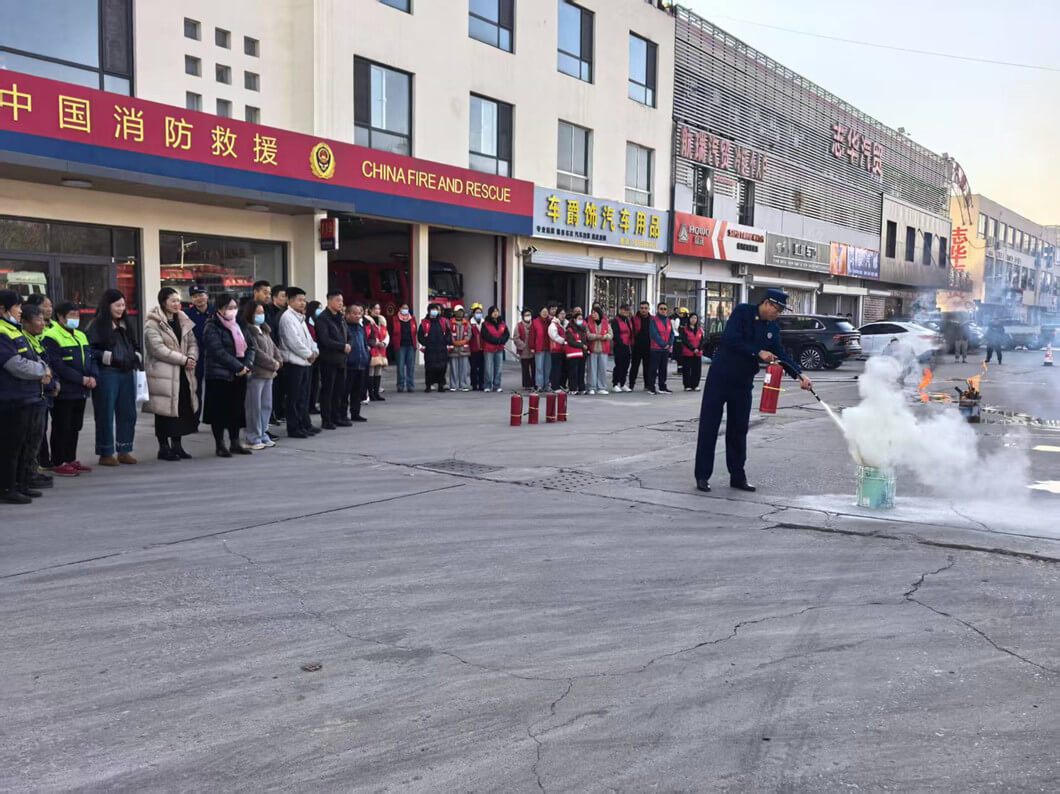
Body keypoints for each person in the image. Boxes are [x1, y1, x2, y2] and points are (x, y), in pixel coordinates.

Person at [694, 289, 812, 493]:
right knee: (709, 426)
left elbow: (781, 353)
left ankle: (737, 476)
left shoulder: (772, 328)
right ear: (767, 303)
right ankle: (702, 475)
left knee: (739, 429)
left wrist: (800, 375)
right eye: (777, 309)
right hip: (721, 377)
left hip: (743, 381)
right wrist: (758, 351)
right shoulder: (743, 312)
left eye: (780, 311)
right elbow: (730, 339)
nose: (778, 314)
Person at [0, 291, 51, 503]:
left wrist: (43, 367)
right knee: (10, 447)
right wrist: (41, 371)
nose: (20, 311)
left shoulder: (15, 330)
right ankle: (7, 489)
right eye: (17, 307)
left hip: (26, 397)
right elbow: (15, 364)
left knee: (22, 445)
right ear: (3, 309)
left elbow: (33, 356)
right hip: (11, 398)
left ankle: (20, 484)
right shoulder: (2, 332)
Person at [143, 287, 199, 461]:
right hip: (163, 373)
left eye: (178, 301)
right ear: (163, 302)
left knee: (180, 409)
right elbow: (158, 349)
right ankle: (163, 447)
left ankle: (177, 445)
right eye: (173, 301)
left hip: (183, 372)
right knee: (164, 411)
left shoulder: (183, 319)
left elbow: (192, 342)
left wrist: (191, 357)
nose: (176, 304)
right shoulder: (153, 323)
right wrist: (183, 360)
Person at [42, 301, 97, 476]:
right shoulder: (51, 336)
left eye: (77, 315)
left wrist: (93, 376)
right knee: (61, 426)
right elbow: (57, 365)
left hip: (81, 390)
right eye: (72, 315)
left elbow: (91, 358)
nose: (76, 318)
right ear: (60, 316)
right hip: (64, 390)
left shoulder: (80, 335)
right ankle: (59, 461)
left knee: (75, 426)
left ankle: (71, 458)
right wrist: (82, 379)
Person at [86, 288, 140, 466]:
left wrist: (136, 356)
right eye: (117, 305)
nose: (121, 309)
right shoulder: (96, 325)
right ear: (107, 305)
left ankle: (124, 449)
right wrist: (107, 357)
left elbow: (134, 344)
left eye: (123, 305)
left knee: (128, 412)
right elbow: (89, 350)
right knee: (105, 413)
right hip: (107, 373)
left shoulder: (125, 324)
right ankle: (106, 452)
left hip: (126, 372)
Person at [203, 293, 255, 457]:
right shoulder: (212, 326)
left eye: (234, 307)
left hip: (239, 375)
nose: (232, 310)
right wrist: (237, 366)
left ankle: (235, 442)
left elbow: (251, 347)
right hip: (219, 375)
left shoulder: (240, 324)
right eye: (228, 308)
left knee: (236, 410)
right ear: (219, 309)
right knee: (219, 412)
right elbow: (217, 351)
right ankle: (220, 445)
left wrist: (247, 365)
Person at [19, 304, 57, 493]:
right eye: (38, 320)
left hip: (42, 394)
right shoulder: (21, 339)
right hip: (30, 395)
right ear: (25, 322)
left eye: (43, 320)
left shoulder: (35, 340)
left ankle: (31, 472)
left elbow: (47, 365)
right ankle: (26, 475)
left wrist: (53, 383)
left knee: (37, 436)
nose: (43, 323)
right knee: (30, 439)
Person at [278, 287, 319, 438]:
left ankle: (304, 424)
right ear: (290, 301)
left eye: (304, 300)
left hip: (305, 362)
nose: (303, 303)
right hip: (294, 364)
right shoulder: (287, 318)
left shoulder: (300, 317)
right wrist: (309, 354)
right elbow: (293, 342)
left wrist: (315, 351)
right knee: (294, 398)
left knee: (304, 396)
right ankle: (294, 428)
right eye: (299, 300)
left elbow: (309, 338)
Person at [243, 299, 282, 448]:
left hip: (269, 374)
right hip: (257, 373)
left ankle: (263, 433)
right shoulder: (248, 331)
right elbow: (257, 353)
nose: (261, 315)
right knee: (254, 407)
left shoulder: (264, 330)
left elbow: (273, 347)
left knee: (266, 405)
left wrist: (279, 359)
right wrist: (273, 363)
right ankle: (253, 437)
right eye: (257, 312)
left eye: (262, 312)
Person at [26, 294, 56, 470]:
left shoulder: (51, 328)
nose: (49, 309)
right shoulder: (25, 335)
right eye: (45, 306)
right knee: (36, 429)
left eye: (50, 305)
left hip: (49, 385)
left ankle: (44, 461)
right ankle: (36, 464)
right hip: (34, 389)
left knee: (43, 426)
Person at [314, 290, 349, 430]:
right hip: (329, 360)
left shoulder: (341, 317)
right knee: (328, 390)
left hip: (342, 360)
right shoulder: (323, 319)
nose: (341, 303)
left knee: (339, 390)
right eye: (337, 300)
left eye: (342, 301)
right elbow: (325, 340)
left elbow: (349, 335)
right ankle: (326, 419)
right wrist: (342, 346)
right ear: (329, 301)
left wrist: (349, 344)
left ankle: (337, 416)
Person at [185, 286, 214, 421]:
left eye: (201, 295)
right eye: (195, 296)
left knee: (213, 389)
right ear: (192, 299)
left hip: (214, 356)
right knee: (195, 389)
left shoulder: (215, 312)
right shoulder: (187, 315)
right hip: (196, 356)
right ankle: (194, 420)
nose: (199, 298)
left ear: (207, 296)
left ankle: (213, 420)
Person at [342, 303, 371, 422]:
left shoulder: (360, 327)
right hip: (349, 365)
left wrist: (366, 357)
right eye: (354, 313)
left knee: (357, 392)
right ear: (347, 314)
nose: (357, 316)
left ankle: (355, 413)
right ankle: (342, 415)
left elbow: (364, 343)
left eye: (359, 313)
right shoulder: (344, 327)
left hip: (361, 364)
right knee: (344, 392)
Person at [263, 285, 287, 421]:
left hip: (281, 352)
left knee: (281, 386)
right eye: (283, 296)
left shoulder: (285, 312)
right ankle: (271, 415)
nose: (285, 299)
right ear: (275, 298)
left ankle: (280, 411)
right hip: (270, 352)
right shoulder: (268, 312)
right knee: (272, 386)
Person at [418, 303, 452, 392]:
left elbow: (448, 333)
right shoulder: (424, 322)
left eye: (436, 310)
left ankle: (441, 385)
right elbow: (420, 335)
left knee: (442, 367)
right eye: (432, 310)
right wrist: (426, 343)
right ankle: (428, 385)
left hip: (441, 349)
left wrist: (446, 341)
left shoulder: (443, 321)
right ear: (429, 311)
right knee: (429, 368)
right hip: (430, 349)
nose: (434, 311)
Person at [647, 302, 675, 395]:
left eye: (665, 309)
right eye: (661, 308)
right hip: (656, 349)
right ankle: (651, 387)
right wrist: (664, 344)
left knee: (663, 369)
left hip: (665, 349)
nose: (663, 310)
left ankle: (662, 387)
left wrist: (670, 343)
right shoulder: (653, 321)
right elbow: (654, 334)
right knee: (653, 369)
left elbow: (672, 333)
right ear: (658, 310)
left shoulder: (668, 321)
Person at [481, 306, 510, 393]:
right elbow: (485, 335)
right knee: (488, 369)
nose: (495, 313)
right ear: (490, 313)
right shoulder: (485, 324)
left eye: (497, 311)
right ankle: (487, 385)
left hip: (499, 348)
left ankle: (497, 385)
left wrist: (501, 340)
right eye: (494, 312)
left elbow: (506, 334)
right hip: (489, 349)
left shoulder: (502, 323)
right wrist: (496, 341)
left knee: (499, 368)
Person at [390, 303, 417, 392]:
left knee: (411, 367)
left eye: (406, 308)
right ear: (400, 308)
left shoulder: (412, 319)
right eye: (403, 308)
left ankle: (410, 386)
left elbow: (415, 331)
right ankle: (400, 385)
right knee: (400, 367)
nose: (405, 310)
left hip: (411, 345)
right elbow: (391, 331)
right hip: (400, 346)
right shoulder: (395, 319)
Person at [586, 307, 612, 395]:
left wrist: (604, 337)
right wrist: (596, 336)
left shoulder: (606, 323)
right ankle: (591, 387)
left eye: (595, 313)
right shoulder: (589, 324)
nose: (593, 314)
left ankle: (601, 387)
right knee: (592, 369)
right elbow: (588, 335)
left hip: (603, 349)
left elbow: (610, 335)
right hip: (593, 349)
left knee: (602, 369)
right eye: (592, 313)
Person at [366, 303, 390, 402]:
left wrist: (384, 343)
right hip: (372, 348)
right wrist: (376, 342)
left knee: (378, 370)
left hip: (381, 349)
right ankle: (370, 393)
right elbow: (368, 334)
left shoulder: (382, 322)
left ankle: (376, 393)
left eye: (379, 308)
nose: (377, 310)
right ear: (370, 309)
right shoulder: (367, 321)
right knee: (371, 370)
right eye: (375, 308)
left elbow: (386, 335)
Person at [564, 311, 589, 394]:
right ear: (574, 319)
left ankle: (581, 388)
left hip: (582, 353)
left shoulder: (583, 328)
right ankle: (573, 388)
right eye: (579, 318)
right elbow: (570, 341)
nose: (580, 320)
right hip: (573, 353)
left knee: (581, 372)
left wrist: (586, 346)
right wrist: (582, 345)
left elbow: (585, 339)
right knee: (573, 372)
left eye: (581, 319)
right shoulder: (570, 329)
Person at [448, 305, 472, 392]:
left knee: (464, 369)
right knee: (453, 369)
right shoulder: (450, 323)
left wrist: (464, 341)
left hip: (464, 349)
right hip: (453, 349)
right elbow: (448, 333)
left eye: (461, 311)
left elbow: (469, 334)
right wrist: (453, 341)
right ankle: (453, 385)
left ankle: (463, 385)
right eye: (458, 311)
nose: (460, 313)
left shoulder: (467, 323)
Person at [610, 304, 634, 393]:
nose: (626, 311)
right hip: (619, 346)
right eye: (624, 310)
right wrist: (620, 343)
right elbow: (615, 334)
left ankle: (623, 383)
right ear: (620, 310)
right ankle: (615, 384)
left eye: (627, 310)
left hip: (627, 345)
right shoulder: (615, 321)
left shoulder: (628, 320)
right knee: (619, 365)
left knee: (626, 365)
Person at [630, 301, 652, 390]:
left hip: (649, 346)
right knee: (634, 366)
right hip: (637, 346)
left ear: (648, 309)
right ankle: (631, 385)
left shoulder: (652, 319)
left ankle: (647, 385)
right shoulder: (634, 319)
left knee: (647, 367)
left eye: (645, 308)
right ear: (639, 309)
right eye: (642, 308)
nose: (643, 310)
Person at [305, 300, 323, 414]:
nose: (320, 310)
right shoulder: (307, 321)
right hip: (309, 355)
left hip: (317, 354)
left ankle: (313, 404)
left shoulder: (317, 321)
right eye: (318, 308)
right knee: (310, 382)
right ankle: (309, 405)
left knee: (316, 381)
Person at [680, 313, 705, 391]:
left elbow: (702, 340)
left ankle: (695, 385)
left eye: (695, 318)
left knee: (697, 370)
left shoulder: (699, 329)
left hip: (698, 353)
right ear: (689, 319)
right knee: (687, 369)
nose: (693, 320)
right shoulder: (684, 329)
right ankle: (687, 385)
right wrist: (693, 348)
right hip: (688, 352)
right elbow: (685, 340)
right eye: (692, 318)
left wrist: (699, 348)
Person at [530, 306, 551, 393]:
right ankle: (539, 385)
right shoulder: (535, 322)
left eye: (546, 312)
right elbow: (532, 335)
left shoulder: (550, 322)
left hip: (549, 348)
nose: (545, 313)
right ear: (540, 313)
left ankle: (546, 385)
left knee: (547, 368)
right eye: (543, 312)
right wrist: (532, 347)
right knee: (539, 368)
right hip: (539, 347)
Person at [514, 308, 535, 390]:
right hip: (524, 350)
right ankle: (527, 384)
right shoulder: (519, 325)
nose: (528, 316)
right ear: (522, 316)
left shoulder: (534, 324)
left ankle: (534, 383)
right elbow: (516, 338)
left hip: (533, 350)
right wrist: (523, 345)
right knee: (525, 368)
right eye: (526, 315)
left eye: (529, 315)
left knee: (534, 367)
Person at [548, 308, 568, 392]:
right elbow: (554, 336)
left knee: (564, 369)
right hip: (556, 350)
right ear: (557, 315)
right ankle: (555, 386)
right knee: (556, 369)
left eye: (564, 313)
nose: (563, 315)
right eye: (561, 314)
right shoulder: (553, 325)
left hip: (565, 350)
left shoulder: (567, 323)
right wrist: (564, 341)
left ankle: (562, 385)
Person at [468, 302, 486, 391]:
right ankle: (474, 384)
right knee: (474, 368)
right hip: (473, 349)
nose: (478, 314)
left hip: (483, 349)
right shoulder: (469, 324)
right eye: (477, 312)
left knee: (482, 368)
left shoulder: (484, 323)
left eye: (480, 312)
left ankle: (481, 384)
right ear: (473, 313)